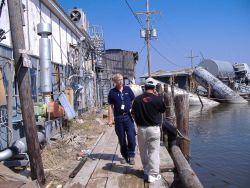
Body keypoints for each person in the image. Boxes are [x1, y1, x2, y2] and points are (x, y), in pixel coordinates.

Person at [131, 78, 166, 183]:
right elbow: (163, 110)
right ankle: (153, 174)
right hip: (154, 129)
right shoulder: (157, 99)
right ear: (154, 88)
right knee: (154, 151)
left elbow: (133, 113)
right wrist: (156, 96)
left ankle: (146, 170)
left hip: (141, 128)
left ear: (144, 87)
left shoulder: (137, 99)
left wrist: (137, 123)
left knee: (143, 151)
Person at [107, 73, 136, 165]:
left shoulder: (128, 89)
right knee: (122, 139)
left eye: (122, 79)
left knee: (131, 137)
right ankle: (124, 155)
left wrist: (135, 114)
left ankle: (131, 155)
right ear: (115, 81)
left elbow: (133, 101)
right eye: (119, 80)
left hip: (128, 116)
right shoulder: (112, 92)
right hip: (118, 118)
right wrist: (110, 119)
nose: (121, 81)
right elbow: (110, 107)